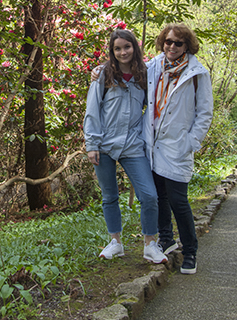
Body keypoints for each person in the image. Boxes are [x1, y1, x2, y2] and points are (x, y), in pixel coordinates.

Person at [84, 28, 168, 264]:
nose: (123, 52)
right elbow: (92, 110)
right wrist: (92, 144)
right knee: (109, 196)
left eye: (127, 47)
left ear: (135, 48)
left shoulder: (145, 74)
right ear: (112, 51)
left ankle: (150, 244)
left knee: (149, 196)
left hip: (133, 145)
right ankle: (116, 243)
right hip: (104, 144)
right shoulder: (103, 74)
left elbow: (167, 60)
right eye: (117, 48)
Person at [142, 23, 213, 274]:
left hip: (177, 146)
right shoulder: (153, 66)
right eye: (168, 41)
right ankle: (167, 239)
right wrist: (99, 70)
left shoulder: (197, 73)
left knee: (178, 200)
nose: (171, 46)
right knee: (158, 196)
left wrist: (191, 142)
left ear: (187, 46)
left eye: (178, 43)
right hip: (153, 143)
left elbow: (205, 113)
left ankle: (190, 251)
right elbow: (124, 70)